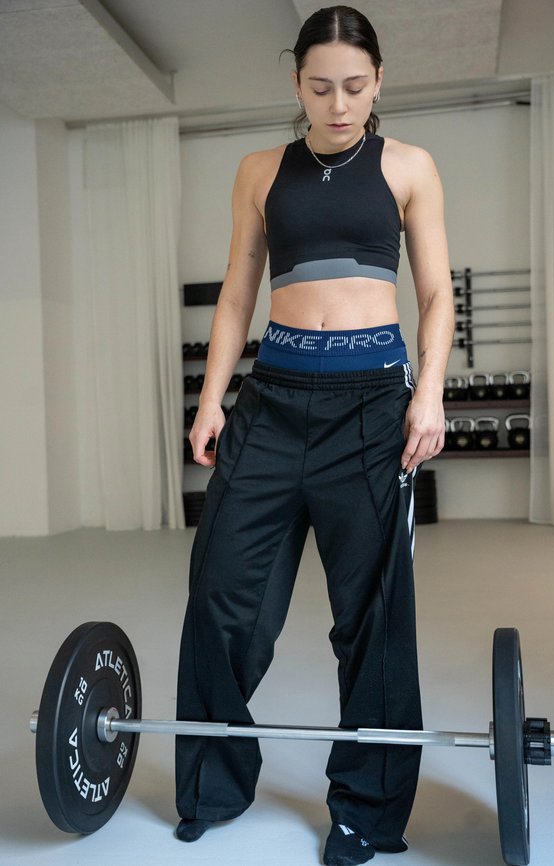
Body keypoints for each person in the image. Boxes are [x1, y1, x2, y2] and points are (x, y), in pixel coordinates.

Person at [175, 6, 454, 865]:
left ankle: (363, 811)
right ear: (295, 82)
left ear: (380, 83)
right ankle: (212, 788)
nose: (340, 105)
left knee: (369, 619)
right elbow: (235, 294)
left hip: (372, 410)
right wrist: (212, 400)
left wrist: (430, 395)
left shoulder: (408, 167)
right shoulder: (261, 169)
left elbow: (438, 294)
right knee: (222, 593)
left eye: (356, 87)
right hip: (274, 400)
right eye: (321, 86)